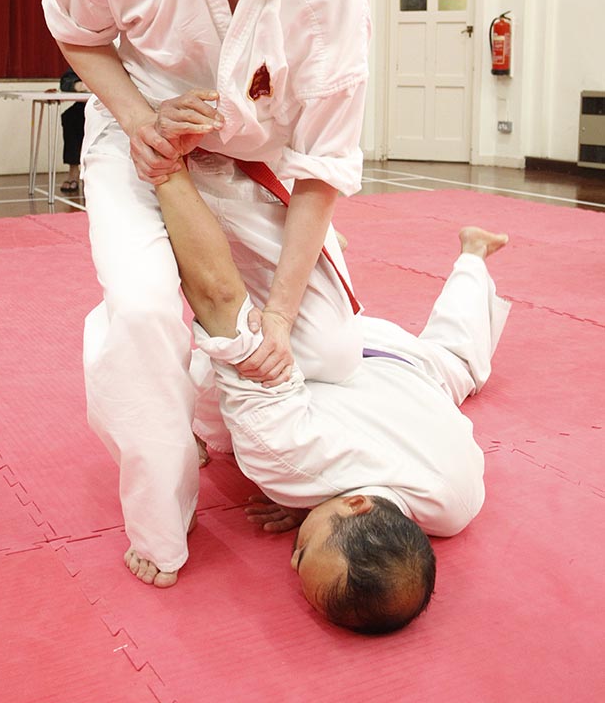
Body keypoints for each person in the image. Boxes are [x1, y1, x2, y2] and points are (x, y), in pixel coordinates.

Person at [42, 0, 371, 586]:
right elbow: (77, 34)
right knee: (144, 311)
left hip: (252, 165)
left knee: (325, 350)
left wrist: (279, 314)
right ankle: (160, 515)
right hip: (139, 139)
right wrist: (139, 120)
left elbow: (321, 168)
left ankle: (197, 380)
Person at [118, 159, 510, 633]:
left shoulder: (458, 507)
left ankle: (472, 254)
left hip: (411, 366)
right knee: (226, 386)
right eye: (303, 550)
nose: (290, 556)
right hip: (323, 349)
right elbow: (222, 307)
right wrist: (166, 169)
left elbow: (370, 464)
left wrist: (313, 499)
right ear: (356, 505)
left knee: (462, 363)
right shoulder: (283, 456)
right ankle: (316, 255)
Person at [59, 69, 89, 194]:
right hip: (89, 103)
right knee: (70, 117)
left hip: (115, 104)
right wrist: (80, 86)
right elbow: (66, 82)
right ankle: (73, 170)